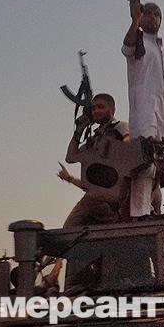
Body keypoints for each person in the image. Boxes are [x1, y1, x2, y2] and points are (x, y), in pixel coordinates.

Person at [121, 1, 164, 220]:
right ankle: (139, 212)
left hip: (162, 112)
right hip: (144, 111)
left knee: (160, 163)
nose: (153, 17)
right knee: (144, 163)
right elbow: (127, 47)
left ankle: (153, 209)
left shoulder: (160, 48)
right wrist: (134, 20)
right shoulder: (138, 40)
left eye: (157, 14)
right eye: (148, 13)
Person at [60, 93, 129, 227]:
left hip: (117, 190)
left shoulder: (120, 126)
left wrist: (110, 148)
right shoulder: (94, 140)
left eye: (101, 107)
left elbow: (128, 144)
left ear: (112, 110)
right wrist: (79, 130)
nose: (96, 111)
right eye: (93, 108)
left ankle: (117, 220)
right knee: (69, 228)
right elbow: (70, 157)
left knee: (91, 198)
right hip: (97, 195)